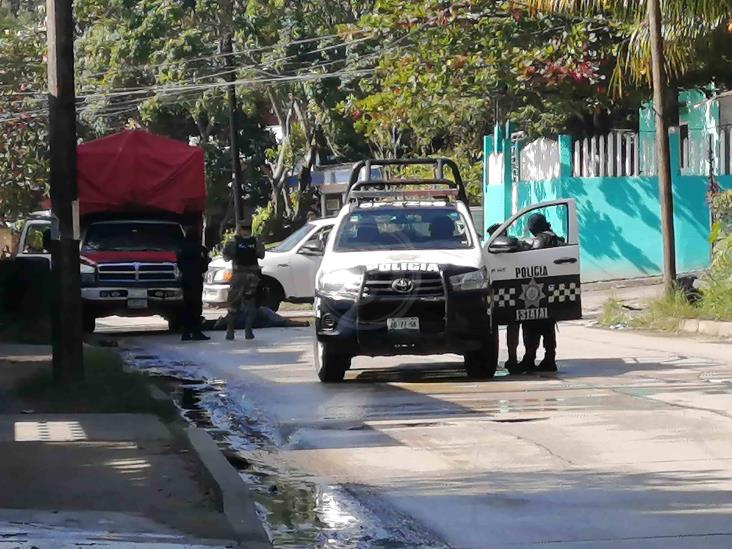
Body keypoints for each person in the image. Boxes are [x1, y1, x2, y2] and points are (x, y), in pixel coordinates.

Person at [516, 213, 562, 373]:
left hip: (536, 290)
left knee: (531, 325)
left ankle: (530, 359)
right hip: (549, 290)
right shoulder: (554, 237)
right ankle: (549, 358)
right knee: (548, 326)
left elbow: (531, 259)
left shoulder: (542, 239)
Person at [486, 222, 523, 373]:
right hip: (494, 293)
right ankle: (492, 360)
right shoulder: (486, 251)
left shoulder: (515, 247)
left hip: (512, 292)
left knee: (514, 325)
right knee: (491, 329)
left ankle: (513, 359)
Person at [223, 220, 265, 340]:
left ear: (239, 229)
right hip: (252, 277)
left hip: (238, 276)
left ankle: (230, 332)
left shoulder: (233, 242)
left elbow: (226, 257)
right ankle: (248, 331)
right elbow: (261, 255)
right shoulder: (255, 241)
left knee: (233, 304)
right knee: (250, 302)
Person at [177, 227, 211, 341]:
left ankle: (186, 333)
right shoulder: (200, 249)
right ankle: (196, 332)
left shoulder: (181, 248)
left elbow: (179, 264)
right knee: (196, 306)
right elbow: (204, 266)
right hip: (196, 279)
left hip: (185, 279)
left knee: (186, 305)